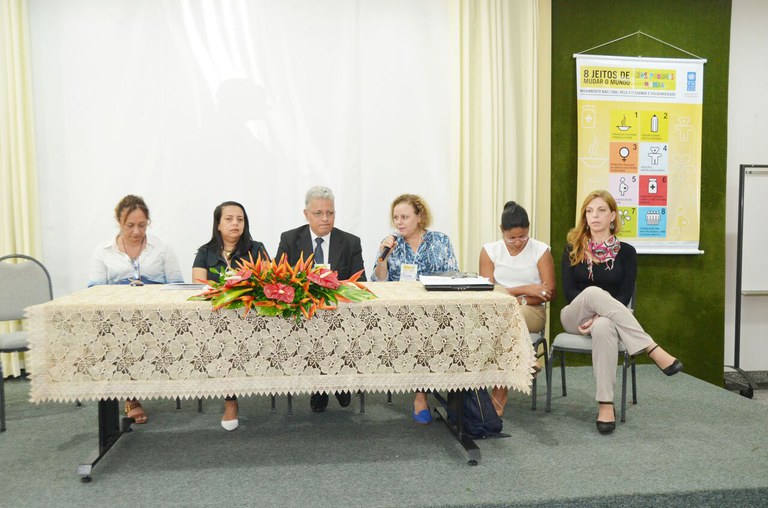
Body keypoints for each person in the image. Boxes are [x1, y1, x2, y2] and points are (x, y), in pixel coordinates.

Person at [560, 190, 683, 435]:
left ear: (613, 215)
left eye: (601, 210)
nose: (595, 216)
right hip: (575, 315)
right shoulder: (572, 248)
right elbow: (570, 291)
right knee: (593, 292)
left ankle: (605, 404)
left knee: (604, 327)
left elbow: (624, 295)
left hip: (609, 320)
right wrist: (594, 308)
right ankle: (651, 348)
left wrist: (601, 316)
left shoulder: (627, 252)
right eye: (589, 211)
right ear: (585, 216)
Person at [88, 194, 184, 424]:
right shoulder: (103, 251)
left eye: (142, 225)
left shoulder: (161, 248)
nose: (136, 231)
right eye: (129, 225)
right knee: (119, 336)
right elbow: (94, 289)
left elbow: (178, 286)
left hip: (156, 314)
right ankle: (131, 397)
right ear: (118, 222)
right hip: (118, 315)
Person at [275, 186, 366, 413]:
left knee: (338, 333)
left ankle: (341, 385)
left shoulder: (351, 242)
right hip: (304, 312)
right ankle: (320, 388)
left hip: (340, 312)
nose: (325, 218)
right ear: (306, 214)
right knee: (312, 331)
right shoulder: (289, 239)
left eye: (330, 213)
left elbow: (360, 281)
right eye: (318, 213)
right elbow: (279, 278)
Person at [372, 193, 458, 424]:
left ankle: (456, 394)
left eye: (405, 217)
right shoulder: (391, 244)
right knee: (417, 331)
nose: (399, 222)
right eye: (396, 217)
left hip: (436, 307)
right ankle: (420, 396)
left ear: (419, 217)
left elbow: (452, 275)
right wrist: (383, 259)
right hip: (403, 311)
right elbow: (379, 281)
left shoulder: (440, 241)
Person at [193, 201, 270, 431]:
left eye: (240, 219)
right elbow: (199, 285)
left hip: (251, 316)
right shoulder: (205, 252)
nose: (235, 223)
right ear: (218, 224)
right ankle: (231, 402)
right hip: (216, 318)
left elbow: (267, 282)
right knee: (224, 342)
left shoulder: (256, 249)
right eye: (229, 219)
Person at [479, 201, 555, 417]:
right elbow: (488, 292)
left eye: (523, 236)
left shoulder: (540, 250)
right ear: (502, 232)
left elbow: (549, 293)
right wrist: (527, 288)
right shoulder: (489, 251)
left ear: (528, 229)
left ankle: (500, 391)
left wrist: (511, 296)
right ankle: (527, 359)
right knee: (502, 313)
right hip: (500, 312)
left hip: (532, 312)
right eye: (511, 238)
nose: (518, 242)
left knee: (506, 315)